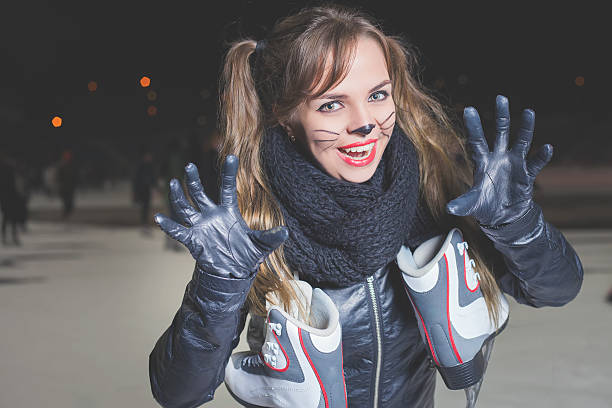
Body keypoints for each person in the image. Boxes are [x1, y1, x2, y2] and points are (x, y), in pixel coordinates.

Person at [148, 6, 584, 407]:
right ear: (286, 117)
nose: (365, 123)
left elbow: (555, 289)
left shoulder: (430, 189)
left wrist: (518, 223)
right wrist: (218, 286)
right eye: (332, 104)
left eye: (377, 95)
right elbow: (177, 392)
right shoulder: (259, 224)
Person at [132, 147, 158, 235]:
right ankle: (144, 224)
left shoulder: (150, 166)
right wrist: (136, 192)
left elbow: (153, 178)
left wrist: (154, 187)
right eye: (147, 156)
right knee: (144, 207)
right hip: (142, 189)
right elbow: (136, 179)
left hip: (147, 189)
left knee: (147, 207)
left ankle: (145, 224)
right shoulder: (141, 166)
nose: (149, 157)